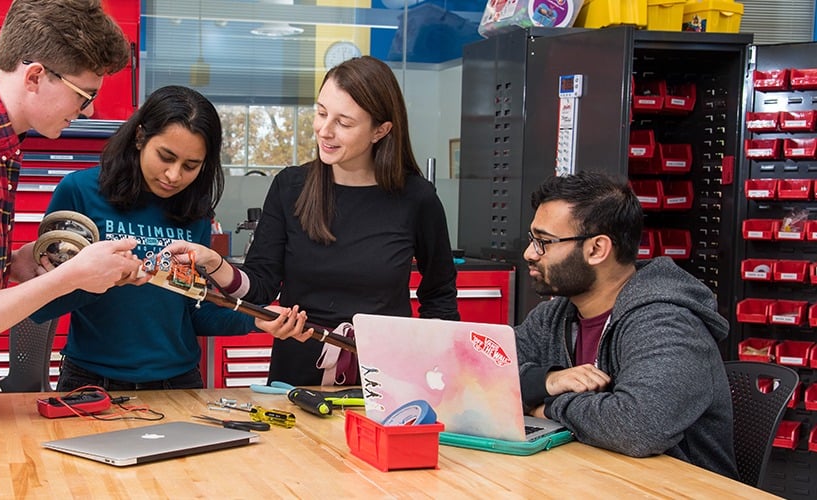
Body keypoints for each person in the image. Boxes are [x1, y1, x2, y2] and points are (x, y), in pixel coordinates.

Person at [0, 0, 139, 496]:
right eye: (84, 95)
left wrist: (15, 264)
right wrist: (69, 278)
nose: (91, 111)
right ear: (35, 75)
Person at [163, 55, 460, 386]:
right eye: (321, 113)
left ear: (381, 130)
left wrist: (435, 376)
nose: (324, 130)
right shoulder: (291, 187)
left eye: (344, 123)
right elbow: (259, 288)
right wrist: (215, 263)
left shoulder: (416, 198)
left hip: (385, 381)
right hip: (296, 380)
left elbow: (440, 298)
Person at [30, 85, 307, 391]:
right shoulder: (80, 191)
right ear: (139, 137)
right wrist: (101, 279)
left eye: (191, 166)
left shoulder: (193, 212)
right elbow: (42, 303)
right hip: (93, 381)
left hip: (178, 383)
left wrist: (254, 320)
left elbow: (194, 312)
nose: (174, 176)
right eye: (166, 157)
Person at [515, 170, 737, 479]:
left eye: (544, 242)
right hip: (590, 481)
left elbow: (639, 426)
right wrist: (548, 381)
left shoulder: (667, 322)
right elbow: (472, 376)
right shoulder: (553, 318)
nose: (530, 253)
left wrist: (546, 407)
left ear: (597, 249)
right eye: (532, 240)